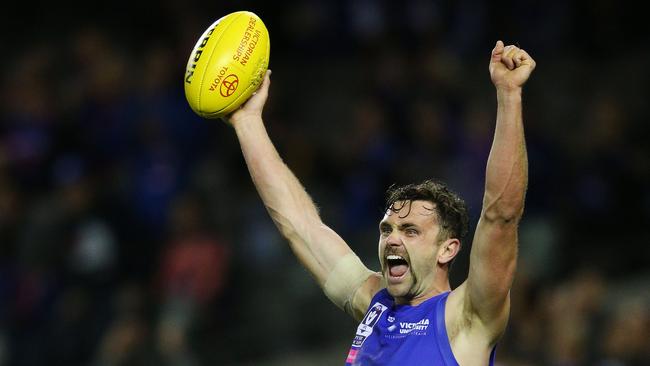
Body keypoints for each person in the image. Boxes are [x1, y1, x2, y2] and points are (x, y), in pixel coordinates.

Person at [225, 40, 536, 365]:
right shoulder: (374, 301)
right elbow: (300, 224)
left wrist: (509, 96)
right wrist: (247, 122)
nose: (392, 239)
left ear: (448, 249)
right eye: (387, 229)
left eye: (411, 230)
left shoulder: (467, 317)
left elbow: (501, 214)